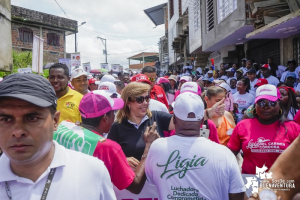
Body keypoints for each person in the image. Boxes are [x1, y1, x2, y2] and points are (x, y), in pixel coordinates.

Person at [0, 73, 116, 200]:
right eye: (5, 119)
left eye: (32, 118)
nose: (18, 131)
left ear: (55, 121)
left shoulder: (92, 171)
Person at [145, 92, 245, 200]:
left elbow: (151, 181)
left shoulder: (157, 147)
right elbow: (237, 194)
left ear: (174, 119)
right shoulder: (224, 153)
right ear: (202, 120)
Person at [76, 90, 159, 193]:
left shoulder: (64, 130)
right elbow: (135, 185)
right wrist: (149, 147)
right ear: (105, 118)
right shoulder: (108, 148)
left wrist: (121, 160)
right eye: (113, 112)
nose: (114, 117)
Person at [228, 84, 300, 175]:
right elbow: (229, 156)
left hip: (282, 185)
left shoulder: (293, 128)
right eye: (261, 103)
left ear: (279, 104)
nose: (266, 106)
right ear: (255, 105)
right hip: (250, 184)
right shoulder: (243, 126)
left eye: (271, 103)